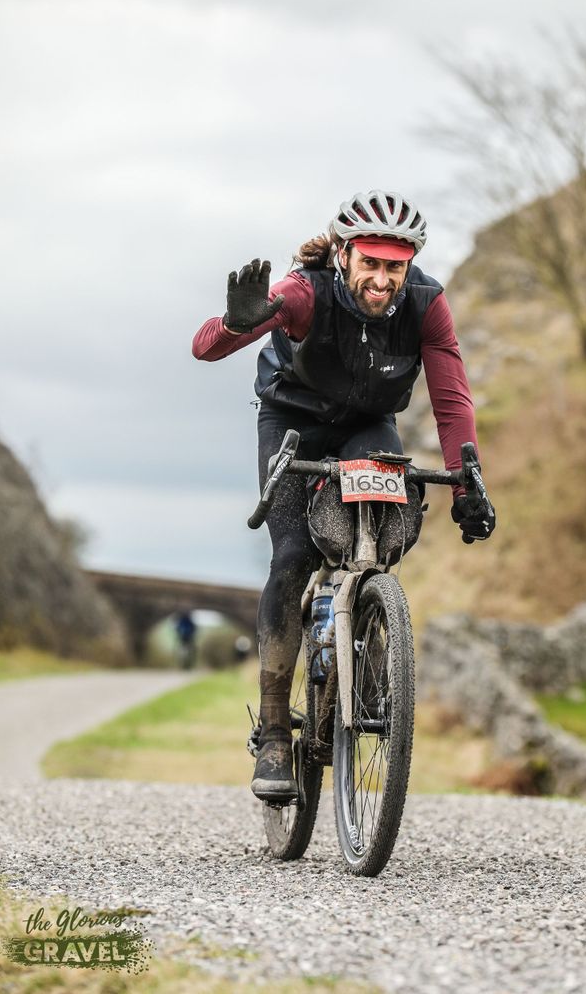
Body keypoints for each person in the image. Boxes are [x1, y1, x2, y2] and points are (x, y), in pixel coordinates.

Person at [192, 189, 495, 802]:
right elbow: (204, 347)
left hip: (368, 425)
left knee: (380, 542)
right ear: (344, 255)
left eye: (395, 266)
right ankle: (276, 731)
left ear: (408, 266)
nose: (382, 279)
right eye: (370, 263)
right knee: (293, 555)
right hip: (293, 421)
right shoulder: (306, 292)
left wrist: (468, 479)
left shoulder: (427, 306)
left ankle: (366, 648)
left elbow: (451, 398)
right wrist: (238, 323)